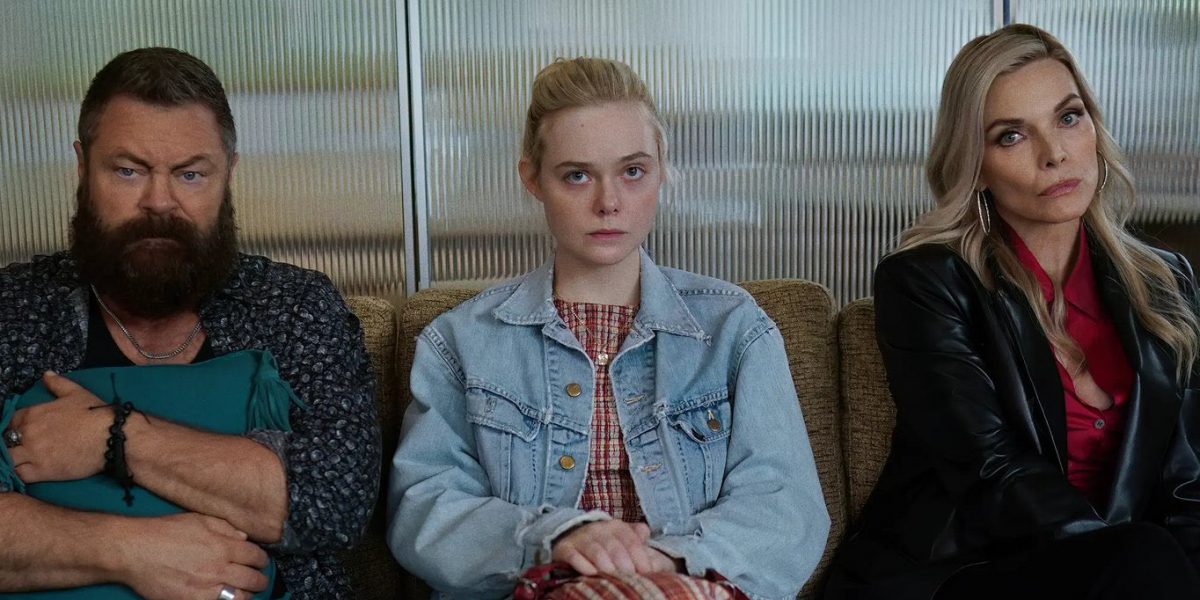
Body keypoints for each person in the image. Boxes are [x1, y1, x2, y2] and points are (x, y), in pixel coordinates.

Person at [387, 57, 829, 599]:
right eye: (577, 175)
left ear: (661, 170)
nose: (609, 203)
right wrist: (559, 537)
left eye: (633, 171)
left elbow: (785, 510)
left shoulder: (734, 327)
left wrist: (662, 559)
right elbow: (424, 510)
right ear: (533, 179)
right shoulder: (461, 341)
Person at [825, 24, 1200, 600]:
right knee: (1143, 554)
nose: (1055, 154)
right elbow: (991, 473)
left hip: (1120, 576)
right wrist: (1129, 564)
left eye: (1068, 117)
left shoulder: (1165, 281)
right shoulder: (926, 282)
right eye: (1011, 136)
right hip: (958, 576)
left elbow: (1187, 485)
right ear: (975, 165)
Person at [0, 48, 379, 599]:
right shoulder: (14, 309)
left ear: (229, 173)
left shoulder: (295, 306)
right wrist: (131, 550)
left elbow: (334, 505)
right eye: (128, 170)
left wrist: (113, 437)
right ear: (83, 167)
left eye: (191, 174)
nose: (160, 202)